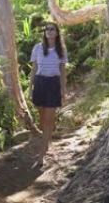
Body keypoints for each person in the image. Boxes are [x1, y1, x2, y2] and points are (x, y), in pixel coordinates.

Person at [29, 22, 68, 167]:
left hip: (53, 84)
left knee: (47, 120)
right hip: (40, 83)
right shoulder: (38, 48)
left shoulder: (61, 50)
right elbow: (34, 68)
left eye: (52, 29)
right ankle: (47, 141)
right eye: (47, 29)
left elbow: (63, 71)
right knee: (42, 119)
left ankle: (41, 155)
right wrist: (30, 87)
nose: (49, 31)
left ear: (57, 33)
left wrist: (63, 90)